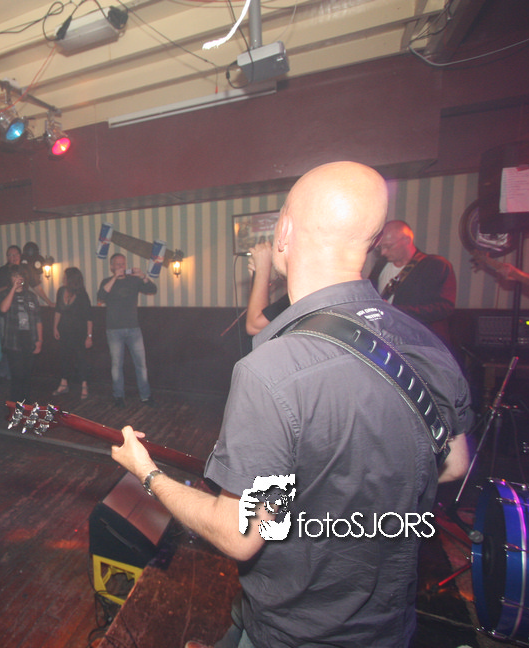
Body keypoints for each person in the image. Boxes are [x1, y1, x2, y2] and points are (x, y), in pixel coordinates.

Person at [111, 162, 471, 648]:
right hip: (389, 625)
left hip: (295, 630)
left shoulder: (272, 369)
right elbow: (453, 464)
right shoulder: (423, 340)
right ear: (369, 242)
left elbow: (240, 534)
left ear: (284, 232)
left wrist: (147, 473)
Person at [369, 220, 456, 344]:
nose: (383, 252)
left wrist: (394, 310)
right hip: (386, 341)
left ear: (407, 240)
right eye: (380, 247)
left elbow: (444, 308)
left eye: (388, 246)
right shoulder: (380, 265)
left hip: (420, 343)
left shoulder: (436, 266)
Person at [97, 253, 157, 407]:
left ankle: (145, 396)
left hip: (133, 329)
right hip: (114, 330)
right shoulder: (107, 282)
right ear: (111, 267)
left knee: (141, 364)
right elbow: (101, 296)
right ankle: (118, 396)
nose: (121, 267)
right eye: (117, 264)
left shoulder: (133, 280)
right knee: (117, 365)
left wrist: (142, 276)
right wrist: (114, 278)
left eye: (123, 264)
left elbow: (152, 289)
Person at [0, 265, 43, 405]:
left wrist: (40, 340)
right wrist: (13, 289)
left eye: (20, 276)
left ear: (24, 278)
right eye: (14, 276)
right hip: (13, 340)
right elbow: (3, 309)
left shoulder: (31, 296)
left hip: (29, 339)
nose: (17, 279)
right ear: (11, 279)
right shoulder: (5, 294)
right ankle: (15, 404)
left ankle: (26, 403)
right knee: (17, 375)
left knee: (27, 375)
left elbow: (38, 320)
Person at [52, 266, 93, 400]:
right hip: (64, 330)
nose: (62, 279)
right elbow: (58, 310)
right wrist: (55, 327)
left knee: (81, 359)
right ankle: (63, 383)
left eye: (65, 277)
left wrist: (89, 336)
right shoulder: (61, 291)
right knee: (63, 357)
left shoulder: (82, 295)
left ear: (71, 279)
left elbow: (89, 317)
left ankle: (84, 386)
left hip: (79, 332)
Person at [244, 242, 289, 336]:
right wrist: (257, 281)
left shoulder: (304, 292)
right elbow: (265, 315)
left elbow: (255, 327)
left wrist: (263, 268)